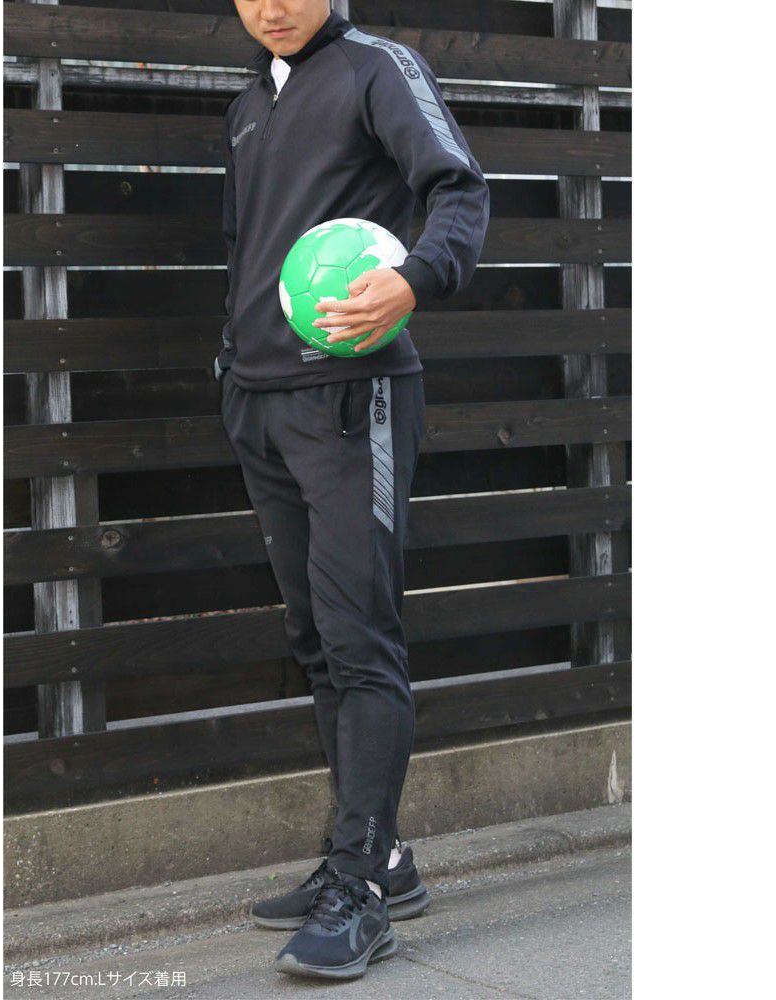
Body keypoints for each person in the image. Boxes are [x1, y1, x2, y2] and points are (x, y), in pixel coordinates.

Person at [215, 0, 490, 980]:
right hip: (257, 401)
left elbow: (459, 189)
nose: (271, 6)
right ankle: (375, 854)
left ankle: (360, 891)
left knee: (359, 633)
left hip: (350, 396)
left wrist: (414, 277)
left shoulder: (378, 68)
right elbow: (250, 250)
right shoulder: (250, 102)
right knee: (315, 638)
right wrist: (232, 368)